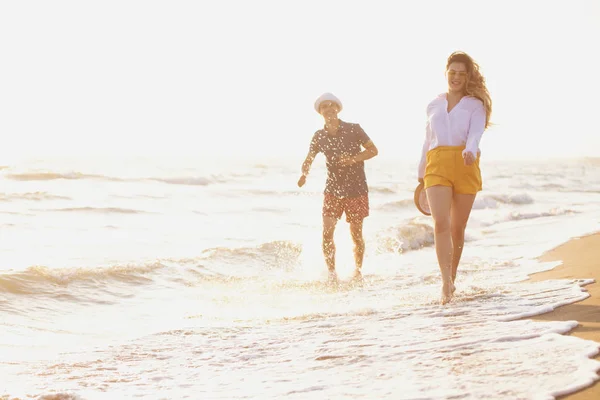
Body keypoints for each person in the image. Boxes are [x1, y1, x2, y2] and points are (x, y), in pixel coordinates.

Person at [417, 51, 492, 304]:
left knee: (457, 229)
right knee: (441, 224)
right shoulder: (433, 105)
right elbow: (428, 141)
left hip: (465, 164)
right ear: (446, 73)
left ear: (468, 76)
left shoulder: (475, 104)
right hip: (436, 165)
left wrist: (470, 150)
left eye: (461, 73)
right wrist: (420, 177)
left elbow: (476, 133)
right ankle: (445, 283)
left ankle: (452, 275)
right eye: (452, 73)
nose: (456, 77)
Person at [298, 93, 378, 283]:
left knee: (356, 234)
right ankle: (332, 274)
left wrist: (353, 159)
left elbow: (373, 150)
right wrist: (304, 174)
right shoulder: (319, 136)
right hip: (333, 189)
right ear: (320, 112)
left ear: (338, 108)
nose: (328, 109)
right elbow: (309, 158)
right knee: (327, 232)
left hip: (356, 189)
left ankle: (358, 270)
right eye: (324, 106)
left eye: (331, 105)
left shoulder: (354, 129)